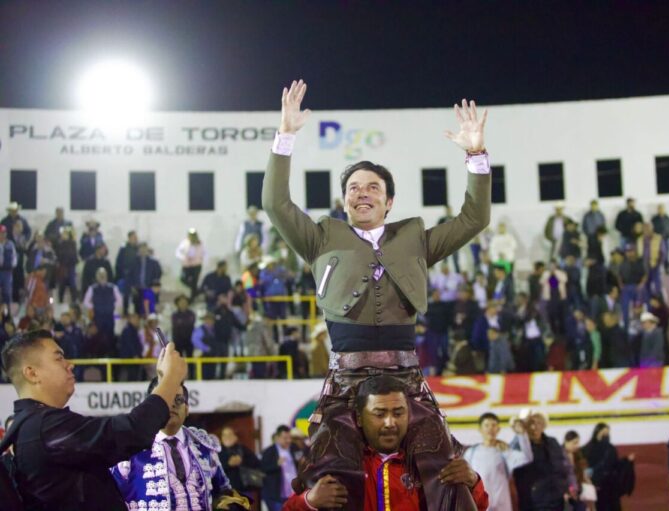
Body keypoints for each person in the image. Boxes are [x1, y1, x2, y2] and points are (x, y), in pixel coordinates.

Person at [263, 80, 491, 507]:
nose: (361, 193)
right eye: (353, 188)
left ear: (389, 202)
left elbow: (474, 219)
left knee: (446, 472)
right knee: (331, 481)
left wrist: (475, 156)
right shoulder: (320, 237)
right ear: (344, 202)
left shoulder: (416, 238)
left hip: (406, 378)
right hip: (345, 379)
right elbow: (276, 204)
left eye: (372, 188)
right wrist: (286, 136)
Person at [0, 329, 187, 510]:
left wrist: (165, 383)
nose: (69, 364)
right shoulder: (45, 427)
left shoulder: (34, 425)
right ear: (32, 373)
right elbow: (131, 431)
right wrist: (171, 379)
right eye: (59, 358)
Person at [284, 375, 489, 510]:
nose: (390, 423)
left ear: (409, 415)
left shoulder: (429, 463)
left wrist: (472, 482)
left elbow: (477, 506)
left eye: (398, 413)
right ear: (360, 419)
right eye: (379, 414)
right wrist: (308, 501)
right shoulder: (340, 464)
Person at [111, 378, 245, 511]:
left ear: (187, 409)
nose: (172, 405)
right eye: (164, 400)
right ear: (149, 408)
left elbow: (223, 492)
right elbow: (108, 499)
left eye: (179, 400)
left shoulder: (204, 448)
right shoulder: (129, 449)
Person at [463, 412, 532, 511]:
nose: (490, 429)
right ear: (480, 429)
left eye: (493, 425)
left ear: (498, 429)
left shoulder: (504, 450)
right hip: (479, 505)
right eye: (487, 425)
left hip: (502, 505)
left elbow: (527, 457)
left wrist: (522, 435)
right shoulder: (471, 453)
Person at [513, 412, 569, 511]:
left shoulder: (552, 442)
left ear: (544, 425)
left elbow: (563, 465)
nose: (534, 427)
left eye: (538, 423)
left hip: (556, 497)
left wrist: (564, 487)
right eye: (530, 423)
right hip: (533, 501)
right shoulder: (520, 445)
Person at [581, 423, 633, 511]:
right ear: (597, 433)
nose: (606, 436)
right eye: (604, 433)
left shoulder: (611, 449)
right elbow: (583, 468)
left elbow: (615, 465)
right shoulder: (587, 449)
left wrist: (626, 460)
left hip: (611, 488)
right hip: (595, 488)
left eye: (608, 433)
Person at [262, 424, 305, 511]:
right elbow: (263, 469)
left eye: (289, 438)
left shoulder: (294, 447)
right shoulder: (269, 452)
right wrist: (276, 464)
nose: (288, 440)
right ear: (277, 438)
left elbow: (301, 460)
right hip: (277, 495)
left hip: (294, 493)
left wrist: (303, 462)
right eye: (285, 438)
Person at [219, 426, 262, 496]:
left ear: (235, 437)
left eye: (230, 434)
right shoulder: (217, 451)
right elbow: (213, 469)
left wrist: (242, 461)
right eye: (224, 435)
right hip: (225, 491)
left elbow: (256, 463)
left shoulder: (243, 449)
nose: (227, 437)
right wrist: (228, 464)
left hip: (243, 490)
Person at [176, 228, 207, 300]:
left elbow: (204, 253)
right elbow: (178, 252)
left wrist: (202, 260)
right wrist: (183, 258)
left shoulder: (200, 243)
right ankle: (197, 291)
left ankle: (192, 298)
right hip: (187, 266)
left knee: (194, 281)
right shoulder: (184, 243)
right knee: (183, 279)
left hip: (196, 266)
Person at [0, 225, 18, 307]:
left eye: (3, 233)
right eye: (1, 233)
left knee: (7, 293)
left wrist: (11, 265)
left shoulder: (10, 244)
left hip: (7, 272)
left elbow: (14, 258)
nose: (2, 235)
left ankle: (7, 314)